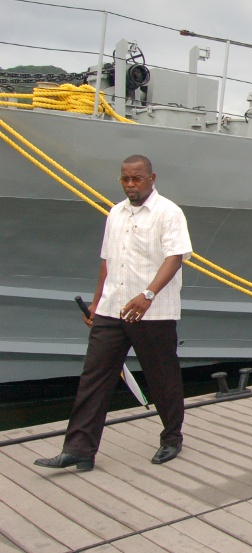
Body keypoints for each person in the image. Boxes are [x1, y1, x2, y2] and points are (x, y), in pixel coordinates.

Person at [35, 155, 192, 472]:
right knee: (93, 378)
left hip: (153, 311)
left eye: (137, 178)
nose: (131, 184)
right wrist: (96, 304)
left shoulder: (169, 213)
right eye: (125, 179)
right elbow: (107, 262)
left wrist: (148, 294)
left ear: (152, 177)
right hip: (112, 309)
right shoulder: (115, 213)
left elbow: (175, 257)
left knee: (162, 378)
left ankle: (172, 438)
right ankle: (79, 449)